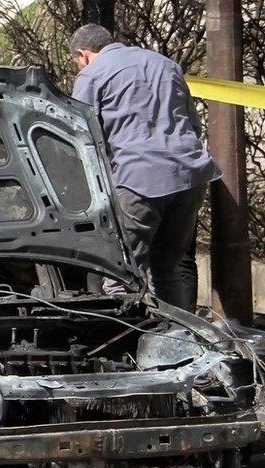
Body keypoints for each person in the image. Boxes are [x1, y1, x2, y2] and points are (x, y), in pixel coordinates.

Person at [70, 24, 220, 311]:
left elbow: (81, 135)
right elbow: (194, 123)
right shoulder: (165, 63)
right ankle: (182, 343)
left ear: (83, 54)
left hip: (139, 180)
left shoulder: (92, 74)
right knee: (167, 269)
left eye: (76, 62)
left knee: (121, 273)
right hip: (190, 176)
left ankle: (122, 345)